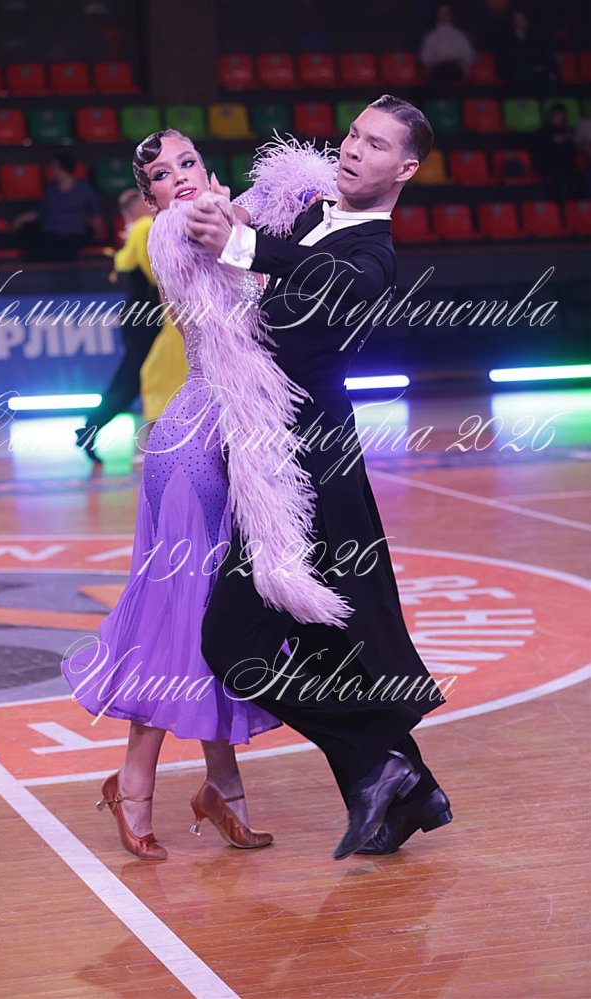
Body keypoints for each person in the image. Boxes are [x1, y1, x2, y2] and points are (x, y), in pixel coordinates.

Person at [61, 128, 340, 861]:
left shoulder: (228, 217)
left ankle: (223, 789)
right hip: (191, 451)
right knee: (174, 619)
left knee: (215, 622)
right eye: (161, 173)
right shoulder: (168, 235)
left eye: (187, 162)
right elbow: (231, 240)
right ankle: (134, 784)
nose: (178, 177)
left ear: (207, 167)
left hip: (234, 441)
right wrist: (242, 213)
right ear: (147, 196)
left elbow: (291, 210)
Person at [187, 95, 452, 860]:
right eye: (353, 135)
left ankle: (388, 768)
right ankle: (400, 785)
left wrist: (243, 245)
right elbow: (265, 258)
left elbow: (339, 279)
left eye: (377, 145)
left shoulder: (373, 253)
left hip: (309, 466)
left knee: (234, 641)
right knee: (326, 638)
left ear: (405, 169)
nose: (355, 150)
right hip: (269, 455)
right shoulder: (310, 217)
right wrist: (222, 216)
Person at [75, 188, 187, 462]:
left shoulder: (134, 233)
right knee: (133, 379)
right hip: (149, 316)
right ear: (137, 207)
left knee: (133, 377)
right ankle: (91, 428)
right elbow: (159, 275)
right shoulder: (146, 228)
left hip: (138, 316)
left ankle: (92, 428)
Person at [13, 154, 104, 262]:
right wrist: (21, 218)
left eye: (54, 168)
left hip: (74, 234)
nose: (52, 171)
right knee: (37, 250)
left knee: (68, 253)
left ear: (63, 170)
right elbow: (40, 211)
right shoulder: (50, 189)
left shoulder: (84, 189)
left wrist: (98, 232)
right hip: (51, 233)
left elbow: (96, 213)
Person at [419, 3, 476, 91]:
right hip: (437, 69)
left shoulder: (459, 35)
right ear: (437, 15)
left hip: (456, 69)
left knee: (442, 75)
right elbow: (425, 58)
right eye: (441, 13)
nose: (444, 16)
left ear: (451, 15)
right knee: (439, 74)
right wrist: (439, 62)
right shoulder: (430, 36)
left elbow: (470, 55)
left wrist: (455, 60)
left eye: (446, 13)